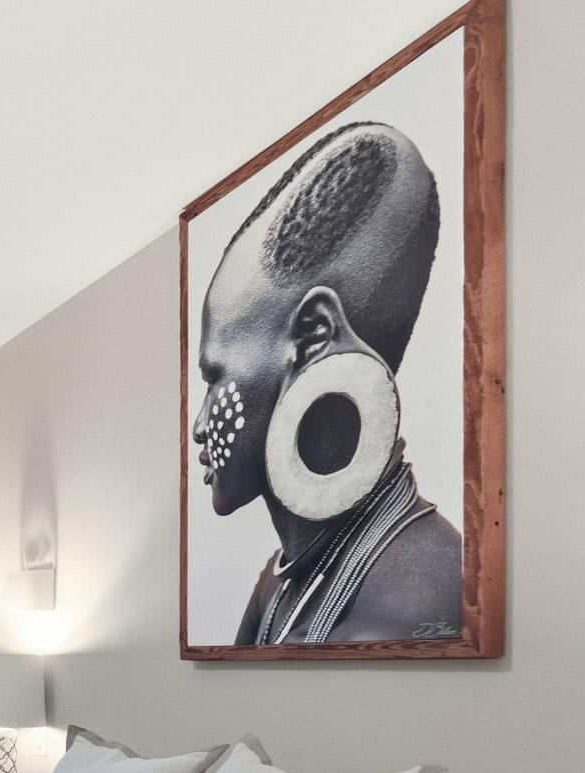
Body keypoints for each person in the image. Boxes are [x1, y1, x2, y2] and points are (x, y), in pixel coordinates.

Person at [193, 120, 462, 645]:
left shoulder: (412, 605)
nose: (201, 426)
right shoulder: (279, 584)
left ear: (315, 336)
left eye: (215, 376)